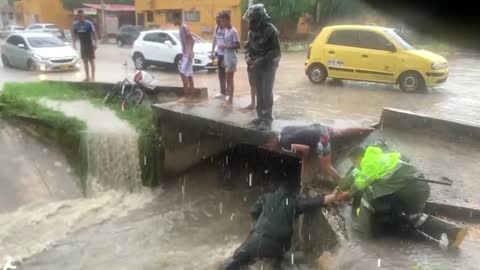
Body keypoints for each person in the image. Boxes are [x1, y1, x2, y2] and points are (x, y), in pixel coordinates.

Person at [224, 182, 341, 270]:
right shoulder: (295, 201)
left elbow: (253, 211)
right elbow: (314, 202)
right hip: (275, 246)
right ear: (293, 193)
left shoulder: (267, 197)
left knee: (239, 259)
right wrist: (332, 196)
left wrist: (262, 218)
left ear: (277, 190)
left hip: (255, 240)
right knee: (276, 264)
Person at [338, 146, 432, 239]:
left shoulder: (369, 162)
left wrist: (348, 194)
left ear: (359, 158)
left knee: (369, 193)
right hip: (422, 188)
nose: (354, 165)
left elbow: (360, 184)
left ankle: (364, 233)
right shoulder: (381, 156)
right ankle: (401, 221)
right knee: (384, 193)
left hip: (411, 191)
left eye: (354, 162)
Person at [265, 124, 374, 184]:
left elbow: (306, 149)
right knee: (340, 132)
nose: (270, 149)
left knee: (326, 166)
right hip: (320, 127)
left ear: (273, 140)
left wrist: (305, 160)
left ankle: (343, 184)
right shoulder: (284, 130)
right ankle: (368, 129)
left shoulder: (285, 143)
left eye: (269, 146)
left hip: (322, 139)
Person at [244, 4, 281, 130]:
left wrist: (260, 60)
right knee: (259, 91)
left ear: (259, 17)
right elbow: (247, 47)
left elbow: (276, 52)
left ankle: (267, 118)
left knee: (266, 92)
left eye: (253, 19)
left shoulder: (271, 31)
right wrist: (248, 57)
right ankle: (260, 116)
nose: (251, 22)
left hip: (268, 66)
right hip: (255, 66)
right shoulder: (252, 31)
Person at [218, 12, 240, 107]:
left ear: (228, 20)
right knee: (228, 80)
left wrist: (225, 46)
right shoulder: (226, 31)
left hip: (231, 59)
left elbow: (238, 45)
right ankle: (228, 99)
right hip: (226, 58)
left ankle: (230, 100)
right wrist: (223, 60)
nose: (221, 23)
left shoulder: (234, 31)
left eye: (223, 21)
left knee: (229, 80)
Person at [173, 12, 195, 101]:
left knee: (182, 74)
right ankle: (191, 96)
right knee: (189, 75)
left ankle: (187, 96)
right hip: (185, 54)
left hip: (187, 55)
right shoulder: (181, 28)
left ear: (178, 19)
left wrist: (190, 51)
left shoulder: (184, 27)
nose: (173, 21)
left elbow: (192, 39)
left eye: (174, 19)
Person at [72, 10, 97, 82]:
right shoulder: (76, 25)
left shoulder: (89, 23)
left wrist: (95, 43)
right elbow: (74, 35)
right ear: (77, 16)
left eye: (81, 15)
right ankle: (87, 77)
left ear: (84, 16)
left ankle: (93, 77)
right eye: (79, 16)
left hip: (89, 44)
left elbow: (94, 33)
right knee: (85, 62)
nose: (80, 17)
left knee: (91, 61)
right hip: (82, 45)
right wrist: (74, 44)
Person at [211, 14, 227, 99]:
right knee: (220, 73)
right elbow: (214, 40)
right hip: (219, 54)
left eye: (219, 21)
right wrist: (212, 51)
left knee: (227, 74)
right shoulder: (216, 28)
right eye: (216, 21)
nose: (217, 22)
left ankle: (228, 93)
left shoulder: (226, 29)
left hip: (226, 55)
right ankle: (222, 92)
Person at [244, 30, 256, 111]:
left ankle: (260, 104)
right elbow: (246, 53)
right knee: (252, 85)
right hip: (250, 67)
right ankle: (253, 103)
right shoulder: (248, 45)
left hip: (258, 67)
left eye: (250, 35)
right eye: (249, 35)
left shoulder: (259, 44)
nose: (249, 37)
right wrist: (248, 58)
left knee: (259, 86)